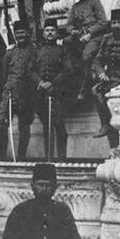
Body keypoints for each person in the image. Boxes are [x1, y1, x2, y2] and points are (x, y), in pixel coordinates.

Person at [84, 9, 120, 148]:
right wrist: (101, 72)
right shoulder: (106, 39)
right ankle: (106, 128)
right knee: (96, 90)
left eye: (119, 22)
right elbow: (97, 60)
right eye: (114, 22)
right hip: (109, 77)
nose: (116, 25)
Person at [32, 20, 73, 159]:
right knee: (46, 126)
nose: (49, 33)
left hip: (58, 93)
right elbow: (30, 70)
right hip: (41, 94)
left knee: (59, 124)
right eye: (47, 30)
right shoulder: (37, 51)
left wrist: (53, 83)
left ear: (56, 33)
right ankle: (48, 157)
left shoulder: (63, 50)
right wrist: (41, 82)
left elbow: (68, 70)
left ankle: (62, 158)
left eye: (52, 30)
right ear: (43, 33)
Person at [64, 0, 108, 98]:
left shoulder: (95, 3)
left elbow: (103, 22)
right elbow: (69, 25)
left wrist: (89, 33)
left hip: (95, 36)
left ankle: (86, 86)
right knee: (65, 43)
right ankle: (71, 80)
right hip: (80, 36)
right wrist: (72, 31)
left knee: (86, 55)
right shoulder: (74, 7)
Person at [1, 21, 39, 160]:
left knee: (24, 126)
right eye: (17, 33)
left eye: (23, 32)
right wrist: (8, 87)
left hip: (26, 94)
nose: (20, 35)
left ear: (28, 33)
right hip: (9, 93)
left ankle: (21, 156)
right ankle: (1, 156)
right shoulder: (10, 53)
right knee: (1, 123)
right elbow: (4, 74)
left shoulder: (34, 50)